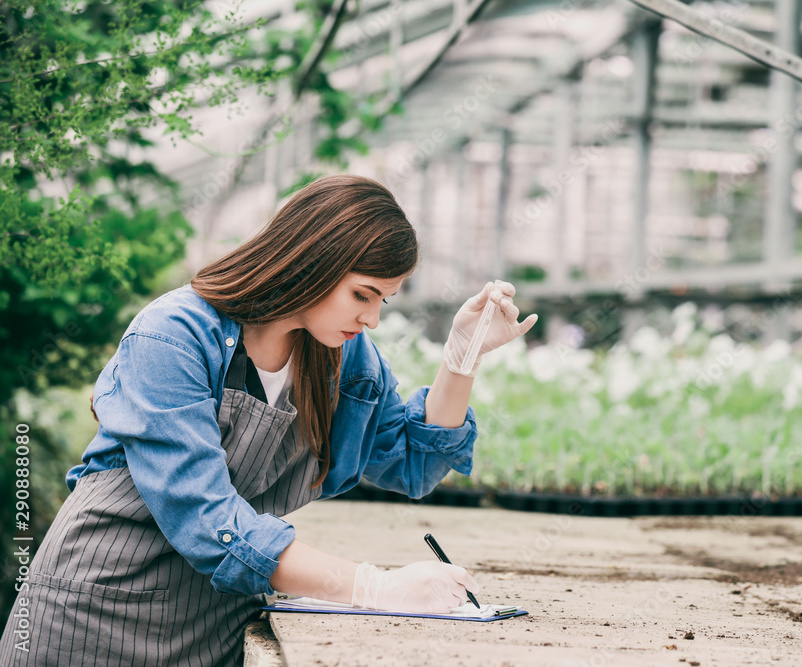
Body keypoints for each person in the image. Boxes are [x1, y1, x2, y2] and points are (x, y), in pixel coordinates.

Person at [0, 174, 537, 666]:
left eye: (384, 301)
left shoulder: (346, 358)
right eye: (362, 294)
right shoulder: (174, 335)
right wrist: (374, 586)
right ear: (312, 260)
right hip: (95, 613)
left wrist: (461, 360)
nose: (371, 318)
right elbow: (209, 521)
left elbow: (411, 463)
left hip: (214, 624)